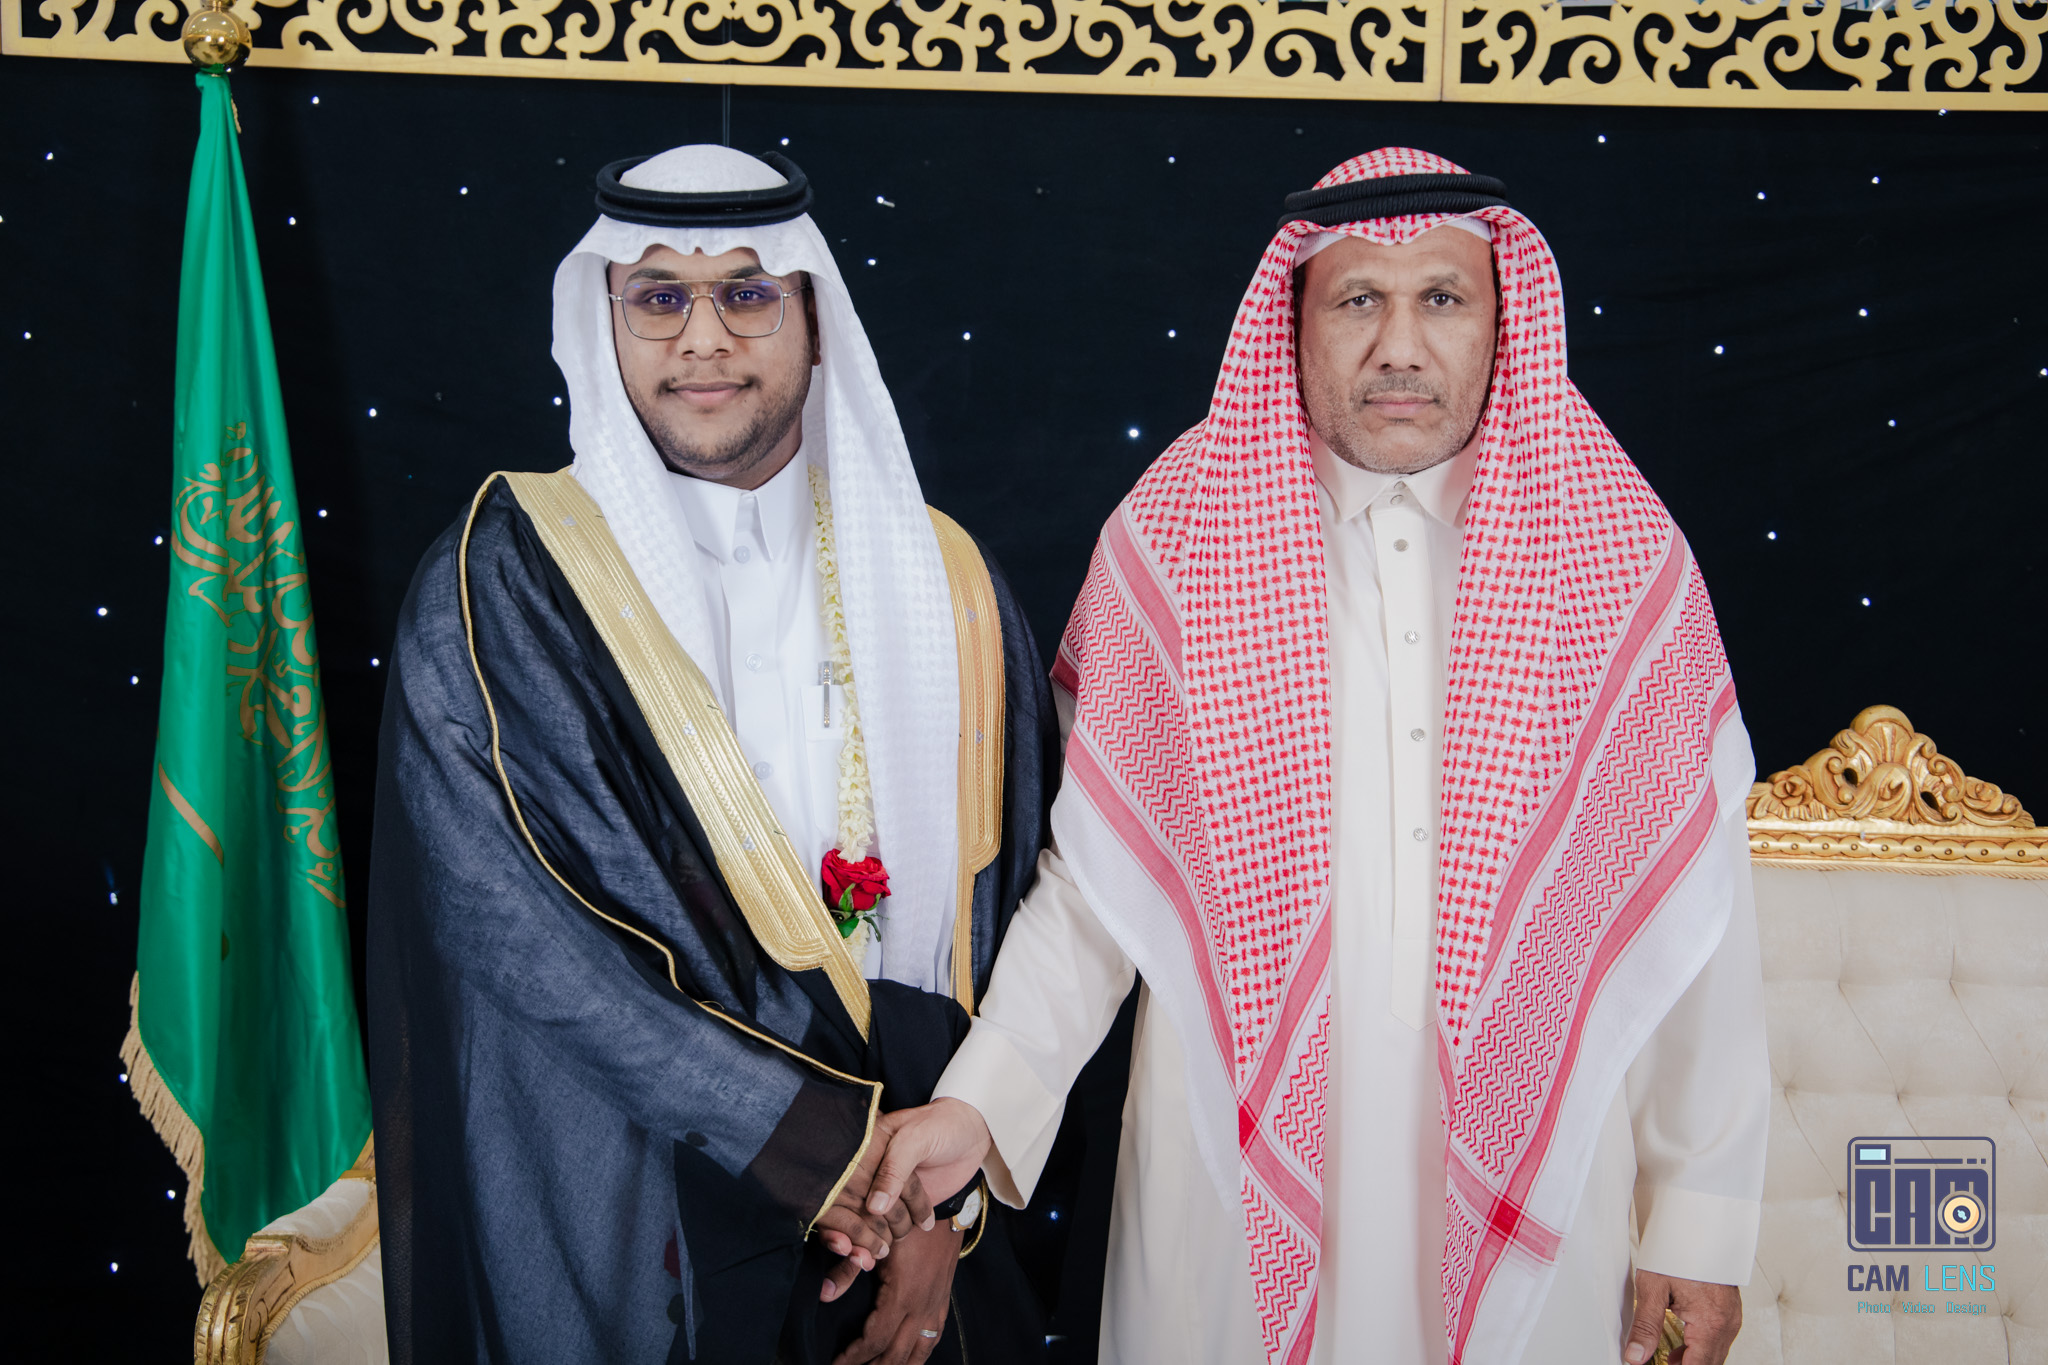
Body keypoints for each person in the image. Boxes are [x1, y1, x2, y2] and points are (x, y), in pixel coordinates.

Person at [866, 148, 1770, 1365]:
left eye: (1441, 298)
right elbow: (1094, 890)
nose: (1399, 347)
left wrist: (1699, 1222)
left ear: (1502, 320)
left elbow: (1694, 912)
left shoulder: (1614, 560)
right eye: (1357, 300)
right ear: (1292, 322)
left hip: (1543, 1186)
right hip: (1226, 1186)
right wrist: (978, 1106)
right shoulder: (1176, 543)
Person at [366, 144, 1057, 1365]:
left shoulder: (942, 578)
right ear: (605, 319)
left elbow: (1005, 914)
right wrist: (807, 1150)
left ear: (812, 317)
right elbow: (509, 928)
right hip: (636, 1213)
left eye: (746, 293)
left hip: (905, 1220)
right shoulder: (506, 576)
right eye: (658, 298)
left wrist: (942, 1203)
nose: (703, 340)